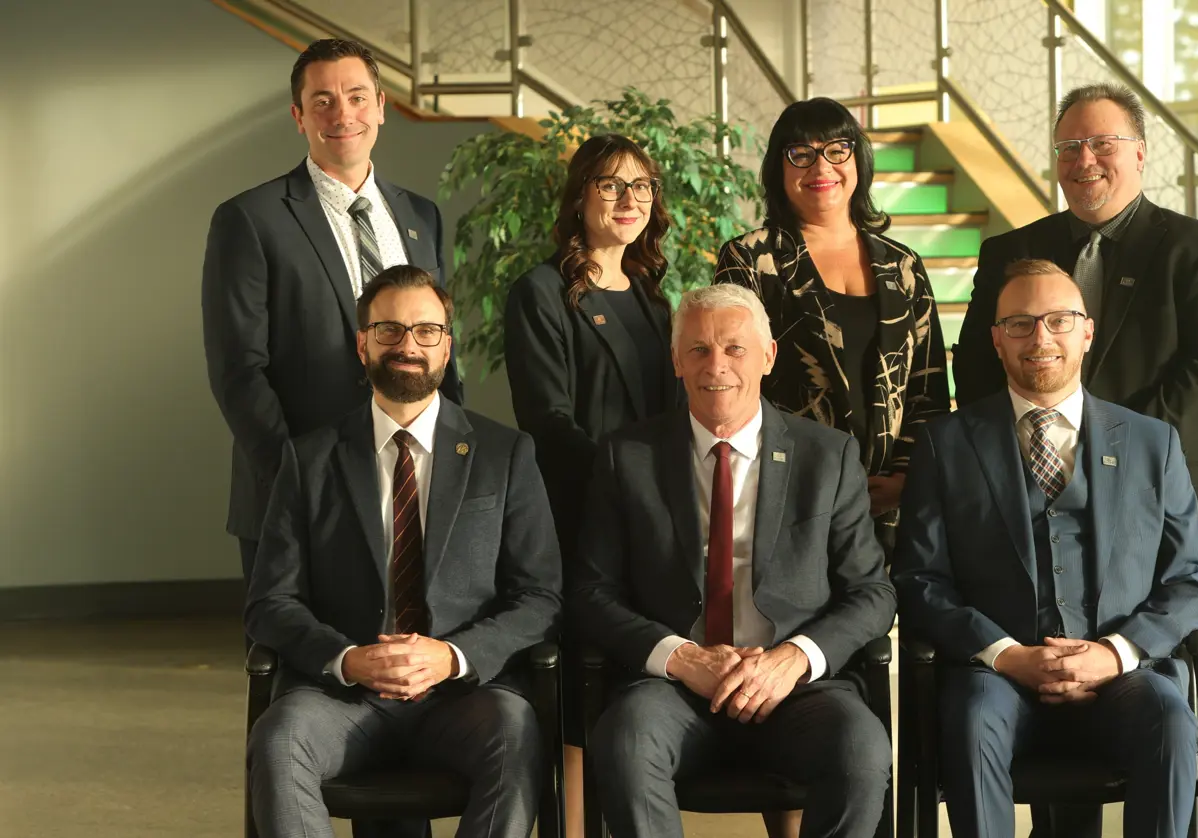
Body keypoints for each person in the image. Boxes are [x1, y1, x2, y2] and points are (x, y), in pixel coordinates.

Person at [951, 83, 1198, 838]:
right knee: (1051, 693)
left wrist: (1100, 450)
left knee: (1177, 703)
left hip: (1161, 518)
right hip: (1027, 504)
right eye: (1068, 147)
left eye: (1102, 144)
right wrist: (1038, 447)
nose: (1084, 160)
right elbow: (978, 372)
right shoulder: (1009, 253)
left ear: (1140, 153)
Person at [893, 259, 1198, 838]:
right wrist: (1007, 655)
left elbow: (1190, 577)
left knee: (1170, 719)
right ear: (996, 340)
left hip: (1122, 676)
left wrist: (1115, 653)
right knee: (971, 722)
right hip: (998, 678)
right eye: (1020, 324)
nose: (1040, 338)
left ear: (1086, 332)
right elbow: (920, 580)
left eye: (1058, 321)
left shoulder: (1153, 443)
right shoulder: (947, 444)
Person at [245, 266, 562, 838]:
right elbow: (271, 601)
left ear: (447, 346)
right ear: (362, 343)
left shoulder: (505, 454)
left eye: (426, 330)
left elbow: (540, 597)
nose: (408, 345)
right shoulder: (309, 459)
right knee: (279, 739)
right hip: (343, 698)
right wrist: (347, 659)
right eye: (389, 329)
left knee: (517, 734)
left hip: (464, 695)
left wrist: (452, 656)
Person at [573, 284, 895, 838]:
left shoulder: (828, 456)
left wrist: (793, 659)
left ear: (768, 355)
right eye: (698, 349)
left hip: (794, 687)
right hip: (673, 689)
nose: (716, 365)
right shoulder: (627, 456)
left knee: (860, 750)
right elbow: (590, 592)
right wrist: (681, 657)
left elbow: (872, 592)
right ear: (676, 361)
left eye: (734, 348)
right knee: (625, 742)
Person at [203, 37, 463, 585]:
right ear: (299, 116)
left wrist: (456, 459)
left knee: (408, 635)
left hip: (413, 481)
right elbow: (238, 370)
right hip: (299, 490)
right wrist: (297, 478)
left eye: (357, 97)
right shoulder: (250, 219)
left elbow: (441, 346)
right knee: (301, 640)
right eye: (322, 101)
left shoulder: (421, 216)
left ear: (381, 107)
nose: (342, 114)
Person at [503, 133, 679, 837]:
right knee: (582, 694)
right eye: (610, 184)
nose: (628, 199)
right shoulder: (541, 292)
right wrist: (626, 484)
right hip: (581, 519)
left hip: (655, 524)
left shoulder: (652, 297)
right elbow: (547, 420)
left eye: (642, 186)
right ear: (580, 197)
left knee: (637, 689)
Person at [715, 97, 949, 559]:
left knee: (879, 606)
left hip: (886, 504)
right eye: (800, 154)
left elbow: (928, 384)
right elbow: (733, 378)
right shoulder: (750, 259)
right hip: (789, 494)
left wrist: (905, 477)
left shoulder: (902, 265)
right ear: (778, 169)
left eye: (837, 149)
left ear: (858, 159)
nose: (821, 166)